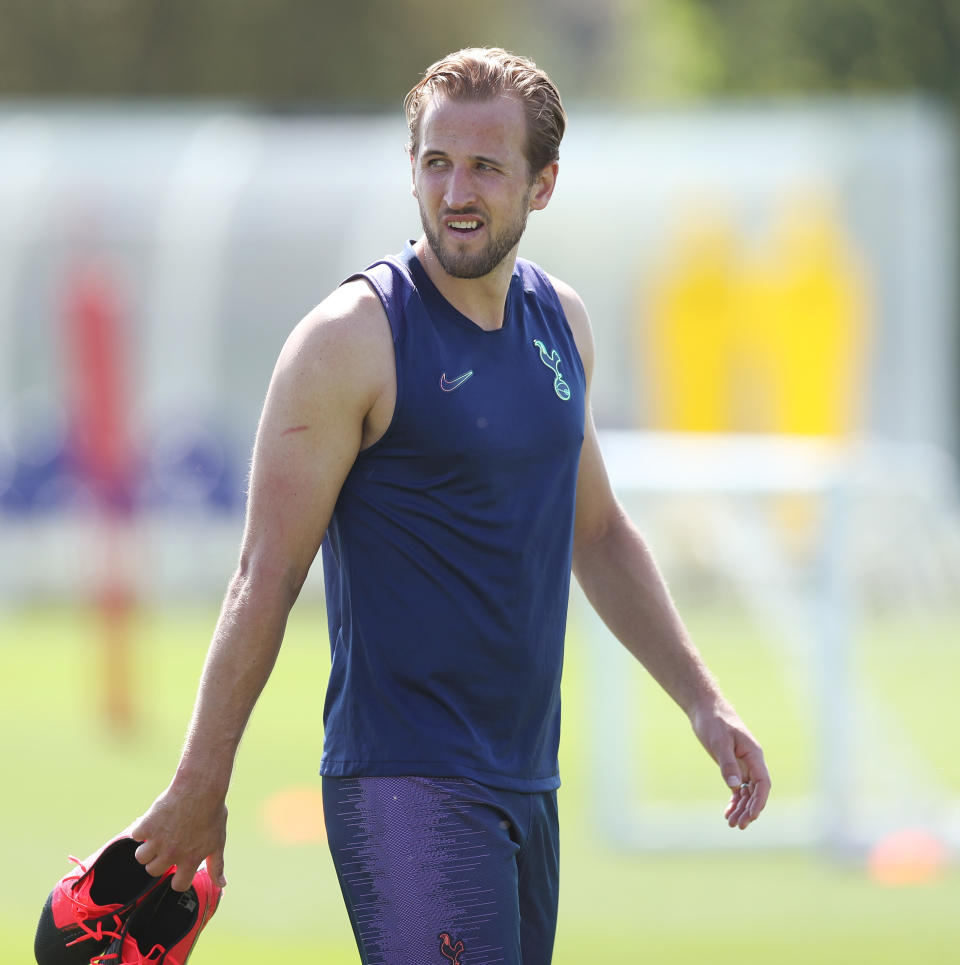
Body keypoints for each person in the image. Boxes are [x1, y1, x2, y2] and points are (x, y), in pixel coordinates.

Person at [130, 47, 770, 965]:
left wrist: (705, 704)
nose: (454, 191)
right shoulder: (350, 340)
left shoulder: (563, 324)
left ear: (542, 184)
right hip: (405, 783)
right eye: (435, 161)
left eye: (485, 166)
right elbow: (260, 580)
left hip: (527, 783)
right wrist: (202, 783)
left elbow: (597, 531)